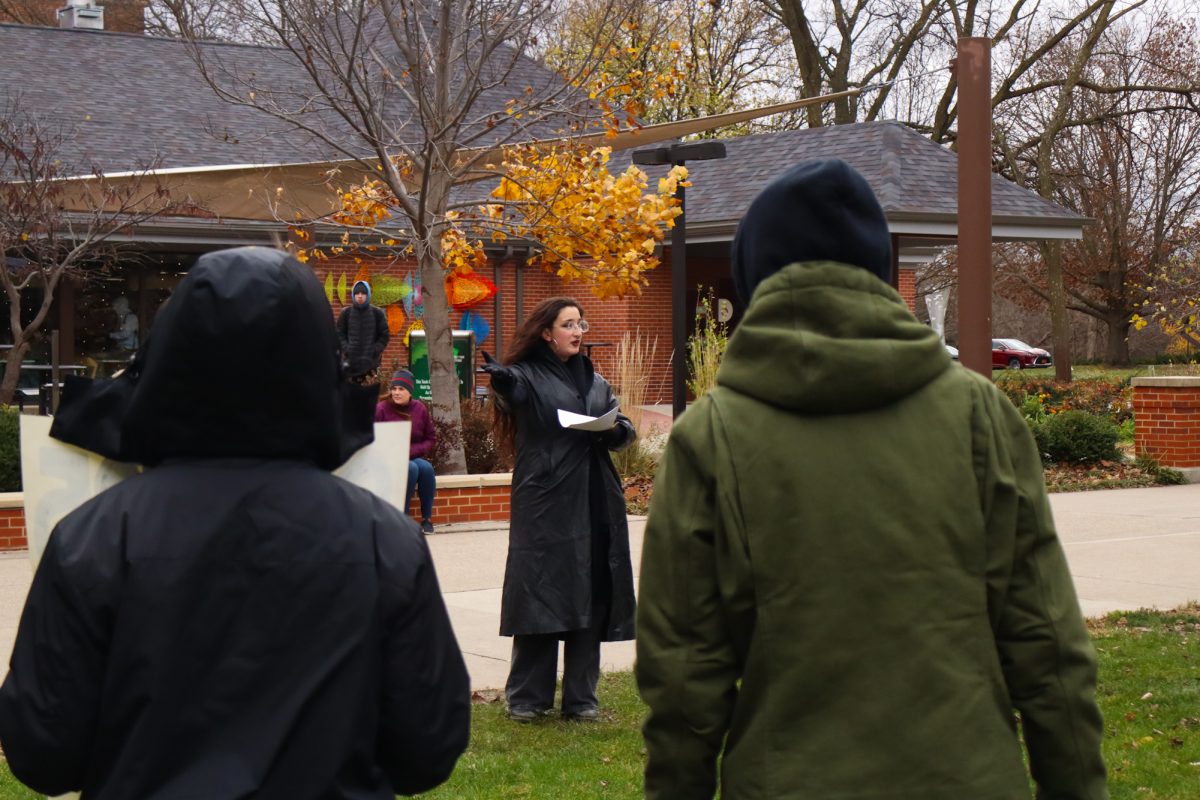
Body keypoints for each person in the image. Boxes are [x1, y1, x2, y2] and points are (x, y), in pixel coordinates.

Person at [635, 160, 1107, 800]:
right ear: (883, 274)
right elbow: (1046, 645)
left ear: (752, 279)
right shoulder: (978, 416)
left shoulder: (711, 437)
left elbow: (686, 675)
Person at [0, 247, 470, 799]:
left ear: (171, 359)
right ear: (321, 364)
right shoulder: (384, 540)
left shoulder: (91, 538)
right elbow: (428, 746)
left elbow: (42, 751)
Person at [480, 297, 636, 723]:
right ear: (546, 333)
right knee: (540, 591)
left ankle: (582, 699)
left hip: (594, 494)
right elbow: (511, 392)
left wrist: (618, 430)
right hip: (545, 498)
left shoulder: (595, 379)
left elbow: (620, 427)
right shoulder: (526, 376)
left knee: (590, 590)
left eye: (580, 323)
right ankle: (528, 699)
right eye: (569, 324)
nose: (578, 331)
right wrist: (501, 381)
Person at [376, 369, 438, 534]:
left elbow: (430, 438)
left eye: (401, 389)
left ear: (410, 391)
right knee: (411, 468)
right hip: (387, 458)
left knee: (425, 468)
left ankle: (427, 519)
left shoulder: (420, 409)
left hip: (411, 455)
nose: (396, 392)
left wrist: (410, 451)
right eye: (394, 388)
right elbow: (371, 437)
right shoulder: (381, 409)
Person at [337, 279, 390, 383]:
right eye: (357, 293)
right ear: (353, 295)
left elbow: (384, 335)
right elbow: (339, 334)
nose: (360, 296)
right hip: (351, 364)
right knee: (350, 395)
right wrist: (347, 349)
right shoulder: (346, 313)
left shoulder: (377, 313)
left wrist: (374, 350)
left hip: (371, 364)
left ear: (368, 295)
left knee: (370, 395)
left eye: (363, 293)